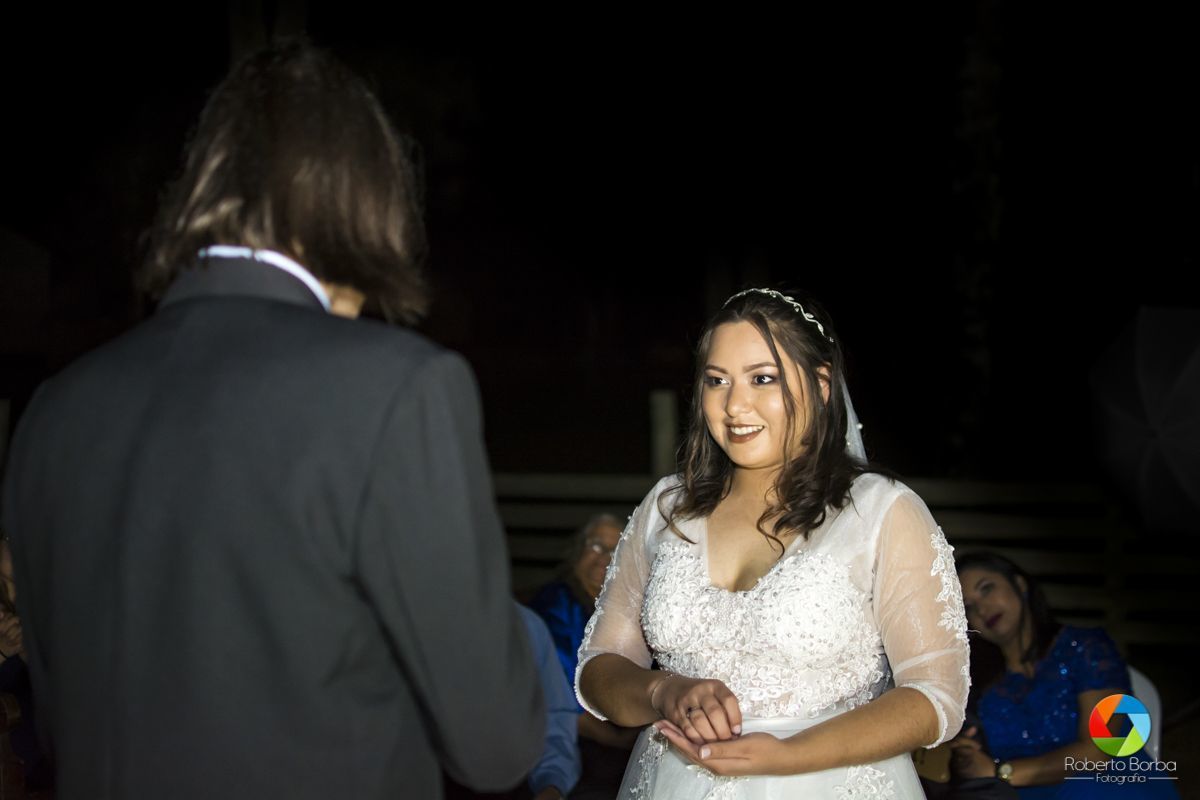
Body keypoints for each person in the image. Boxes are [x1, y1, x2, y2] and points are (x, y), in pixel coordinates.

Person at [1, 41, 543, 799]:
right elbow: (497, 742)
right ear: (362, 199)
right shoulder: (397, 388)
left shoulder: (57, 407)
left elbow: (65, 717)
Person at [576, 288, 971, 797]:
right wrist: (661, 690)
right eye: (717, 381)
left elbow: (936, 696)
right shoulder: (667, 508)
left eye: (763, 378)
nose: (735, 405)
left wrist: (790, 755)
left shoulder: (881, 511)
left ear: (821, 385)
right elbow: (599, 668)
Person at [950, 552, 1179, 799]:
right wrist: (968, 757)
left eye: (986, 589)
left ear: (1020, 584)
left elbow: (1098, 752)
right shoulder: (976, 683)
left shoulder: (1086, 649)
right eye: (968, 606)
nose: (981, 608)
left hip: (1106, 786)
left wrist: (1001, 771)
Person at [530, 515, 640, 797]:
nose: (603, 558)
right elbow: (558, 694)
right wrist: (618, 741)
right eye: (596, 545)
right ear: (578, 551)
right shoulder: (556, 603)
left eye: (615, 549)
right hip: (570, 741)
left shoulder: (631, 607)